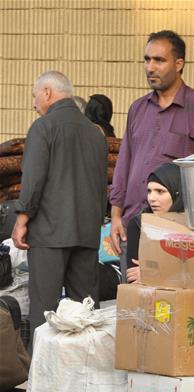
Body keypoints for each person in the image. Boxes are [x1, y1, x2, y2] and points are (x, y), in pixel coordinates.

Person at [109, 30, 194, 256]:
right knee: (132, 290)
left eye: (159, 60)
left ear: (179, 64)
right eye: (147, 59)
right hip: (132, 223)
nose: (150, 67)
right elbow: (124, 162)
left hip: (177, 232)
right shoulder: (138, 108)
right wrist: (115, 215)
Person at [11, 71, 108, 336]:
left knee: (45, 309)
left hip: (50, 232)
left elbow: (33, 180)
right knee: (85, 311)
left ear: (47, 92)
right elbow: (102, 186)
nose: (33, 103)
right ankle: (84, 369)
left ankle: (44, 374)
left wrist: (21, 220)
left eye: (34, 96)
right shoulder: (95, 133)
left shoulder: (43, 127)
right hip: (87, 233)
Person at [124, 162, 184, 284]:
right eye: (149, 191)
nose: (152, 198)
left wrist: (155, 272)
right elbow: (134, 276)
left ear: (177, 191)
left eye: (160, 191)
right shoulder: (139, 224)